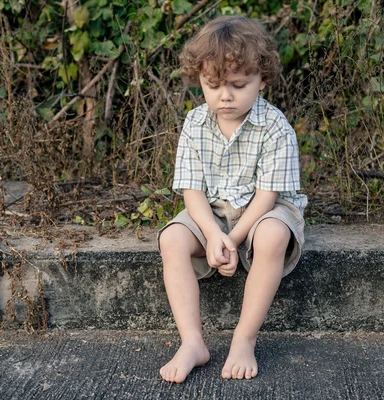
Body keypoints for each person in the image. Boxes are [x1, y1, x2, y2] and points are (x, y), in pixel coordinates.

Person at [157, 15, 308, 382]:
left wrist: (233, 238)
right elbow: (191, 191)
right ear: (201, 81)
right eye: (213, 85)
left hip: (265, 210)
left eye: (239, 85)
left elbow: (268, 195)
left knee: (273, 235)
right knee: (172, 238)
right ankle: (193, 341)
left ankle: (244, 338)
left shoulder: (274, 127)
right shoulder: (195, 124)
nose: (225, 96)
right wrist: (211, 234)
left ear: (262, 79)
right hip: (211, 211)